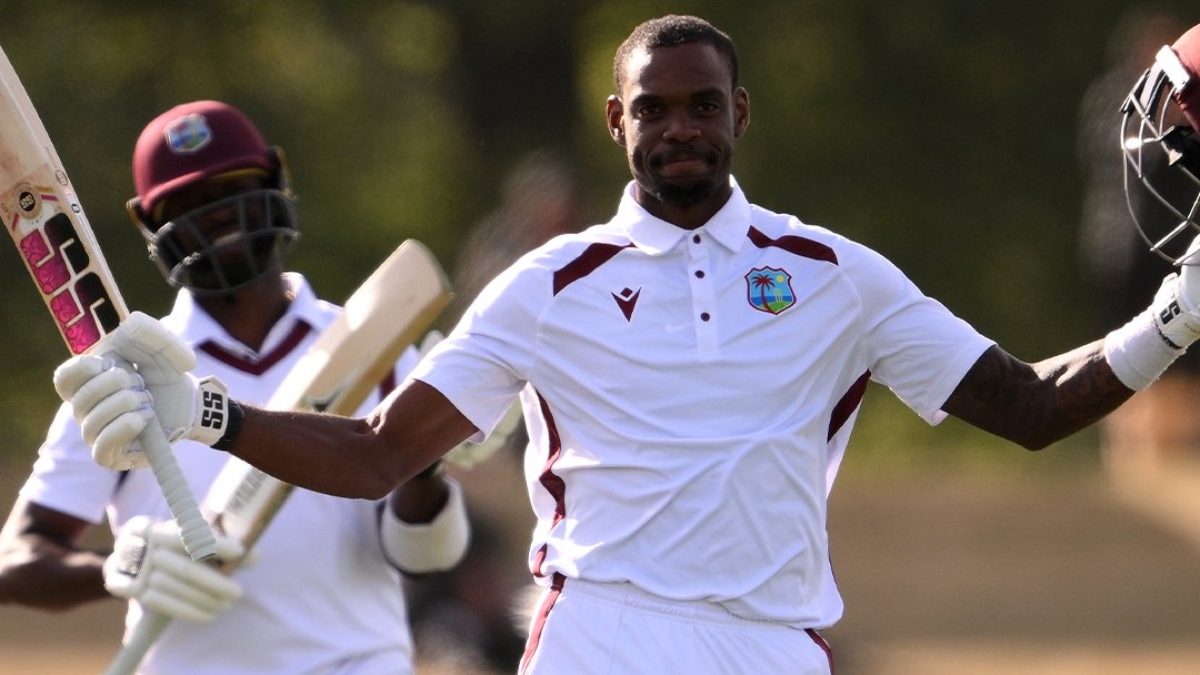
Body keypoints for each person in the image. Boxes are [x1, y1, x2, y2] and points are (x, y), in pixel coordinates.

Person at [50, 16, 1200, 675]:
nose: (681, 128)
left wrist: (1174, 318)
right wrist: (206, 412)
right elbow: (373, 456)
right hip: (603, 634)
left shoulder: (835, 274)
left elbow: (1032, 407)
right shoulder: (548, 283)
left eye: (703, 105)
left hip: (775, 642)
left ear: (741, 114)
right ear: (619, 123)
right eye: (656, 109)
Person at [0, 100, 470, 675]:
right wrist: (118, 566)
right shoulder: (124, 371)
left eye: (233, 189)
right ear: (151, 225)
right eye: (189, 204)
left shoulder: (379, 347)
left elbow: (425, 557)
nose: (219, 217)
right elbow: (14, 564)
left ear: (275, 181)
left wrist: (425, 467)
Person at [1076, 6, 1200, 478]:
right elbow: (1140, 161)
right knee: (1126, 350)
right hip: (1122, 251)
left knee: (1183, 360)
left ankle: (1170, 460)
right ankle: (1133, 462)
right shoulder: (1116, 100)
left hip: (1167, 246)